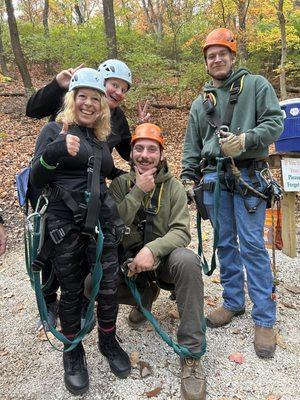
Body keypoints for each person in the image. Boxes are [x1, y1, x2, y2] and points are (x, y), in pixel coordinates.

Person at [181, 28, 284, 359]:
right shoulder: (202, 103)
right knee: (224, 242)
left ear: (232, 56)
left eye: (222, 53)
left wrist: (246, 140)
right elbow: (192, 146)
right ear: (206, 63)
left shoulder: (256, 86)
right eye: (211, 55)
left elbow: (275, 122)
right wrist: (187, 179)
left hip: (249, 175)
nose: (217, 59)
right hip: (214, 179)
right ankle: (233, 301)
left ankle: (265, 319)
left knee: (252, 245)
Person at [26, 60, 150, 330]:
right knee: (50, 254)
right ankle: (48, 302)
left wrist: (142, 133)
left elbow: (119, 158)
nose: (118, 92)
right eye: (113, 85)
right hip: (53, 190)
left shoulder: (111, 122)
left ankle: (84, 306)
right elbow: (33, 110)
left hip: (90, 198)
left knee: (87, 261)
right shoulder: (74, 104)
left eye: (123, 88)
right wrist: (57, 84)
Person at [30, 68, 131, 395]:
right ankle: (73, 352)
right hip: (64, 225)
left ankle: (107, 341)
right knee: (72, 291)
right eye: (82, 97)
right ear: (72, 99)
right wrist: (54, 153)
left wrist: (142, 173)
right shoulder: (52, 129)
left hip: (100, 223)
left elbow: (105, 171)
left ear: (103, 104)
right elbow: (34, 182)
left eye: (95, 98)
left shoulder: (101, 138)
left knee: (108, 285)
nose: (89, 104)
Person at [109, 123, 206, 400]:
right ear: (131, 153)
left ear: (161, 155)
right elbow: (112, 227)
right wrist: (138, 191)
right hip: (130, 268)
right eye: (139, 148)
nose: (145, 154)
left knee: (187, 261)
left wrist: (153, 250)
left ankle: (191, 354)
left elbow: (181, 231)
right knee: (92, 281)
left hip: (162, 266)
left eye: (152, 149)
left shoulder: (174, 187)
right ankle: (143, 298)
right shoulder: (119, 186)